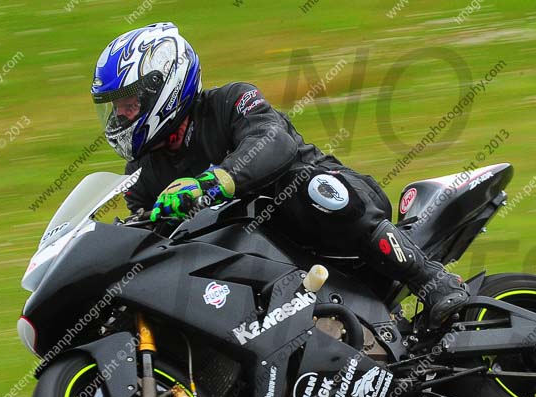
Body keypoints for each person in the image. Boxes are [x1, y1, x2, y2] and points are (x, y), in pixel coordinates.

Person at [90, 22, 468, 325]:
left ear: (164, 86)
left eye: (128, 104)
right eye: (115, 108)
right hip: (260, 262)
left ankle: (432, 279)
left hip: (333, 205)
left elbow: (272, 142)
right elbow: (145, 233)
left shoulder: (230, 102)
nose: (120, 117)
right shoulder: (142, 172)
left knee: (304, 187)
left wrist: (212, 181)